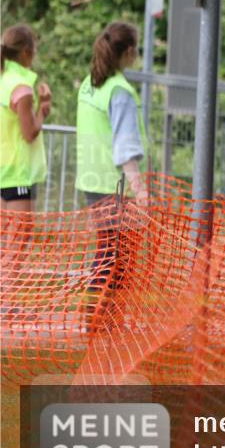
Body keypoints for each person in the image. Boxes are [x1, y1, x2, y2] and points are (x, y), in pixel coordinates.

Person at [75, 22, 149, 287]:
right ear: (129, 51)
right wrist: (139, 190)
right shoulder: (119, 91)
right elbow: (125, 146)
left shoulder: (90, 83)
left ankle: (96, 320)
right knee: (116, 260)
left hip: (92, 181)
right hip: (113, 185)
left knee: (107, 255)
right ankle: (100, 323)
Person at [0, 24, 51, 213]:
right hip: (18, 172)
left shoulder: (3, 79)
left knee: (5, 240)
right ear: (26, 52)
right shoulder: (22, 87)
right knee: (19, 241)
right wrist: (42, 109)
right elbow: (29, 133)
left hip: (3, 169)